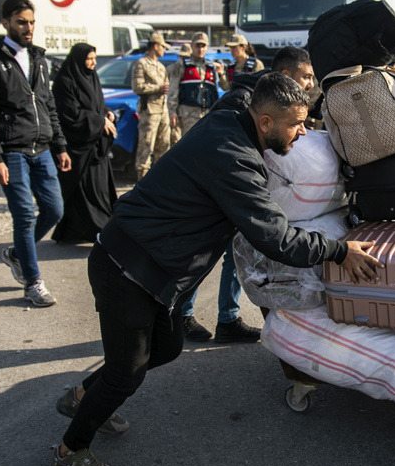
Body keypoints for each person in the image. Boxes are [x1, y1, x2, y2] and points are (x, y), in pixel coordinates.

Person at [47, 72, 382, 466]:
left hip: (160, 271)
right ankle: (69, 451)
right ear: (264, 123)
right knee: (125, 372)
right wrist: (339, 251)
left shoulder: (231, 114)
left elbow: (243, 86)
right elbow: (276, 237)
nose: (303, 131)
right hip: (128, 267)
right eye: (296, 124)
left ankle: (83, 398)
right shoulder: (235, 160)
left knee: (166, 349)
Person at [180, 45, 318, 343]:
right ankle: (181, 314)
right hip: (223, 193)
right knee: (206, 254)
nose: (310, 83)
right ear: (285, 75)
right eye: (306, 76)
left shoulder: (277, 103)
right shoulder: (242, 101)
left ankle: (228, 319)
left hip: (247, 190)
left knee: (238, 257)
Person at [0, 0, 71, 307]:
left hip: (41, 149)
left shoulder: (38, 59)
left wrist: (60, 146)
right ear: (6, 23)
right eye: (21, 22)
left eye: (31, 22)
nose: (28, 28)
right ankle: (32, 282)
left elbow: (47, 105)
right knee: (24, 216)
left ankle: (16, 254)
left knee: (55, 210)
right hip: (11, 152)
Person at [50, 43, 119, 243]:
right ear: (79, 59)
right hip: (79, 146)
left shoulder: (91, 77)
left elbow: (96, 103)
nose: (93, 63)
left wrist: (107, 113)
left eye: (94, 59)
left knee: (101, 190)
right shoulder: (65, 81)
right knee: (85, 192)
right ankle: (98, 230)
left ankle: (81, 231)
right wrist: (99, 121)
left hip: (96, 146)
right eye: (89, 59)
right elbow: (69, 115)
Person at [166, 33, 227, 142]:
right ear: (192, 46)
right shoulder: (181, 65)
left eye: (203, 46)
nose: (200, 49)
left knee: (206, 146)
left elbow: (223, 88)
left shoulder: (211, 67)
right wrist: (172, 111)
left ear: (207, 47)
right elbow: (173, 90)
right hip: (188, 115)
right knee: (189, 145)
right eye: (197, 46)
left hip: (207, 115)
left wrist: (222, 74)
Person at [131, 33, 173, 179]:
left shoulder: (161, 66)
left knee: (164, 146)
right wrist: (157, 88)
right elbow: (137, 86)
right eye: (162, 47)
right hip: (149, 110)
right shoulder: (141, 63)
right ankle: (141, 180)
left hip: (163, 109)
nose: (164, 50)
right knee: (146, 147)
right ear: (155, 46)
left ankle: (159, 181)